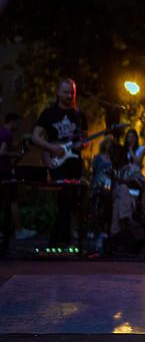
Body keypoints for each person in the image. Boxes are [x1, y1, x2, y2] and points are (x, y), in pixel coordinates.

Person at [32, 79, 88, 247]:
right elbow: (35, 137)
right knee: (64, 195)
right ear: (58, 92)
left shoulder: (79, 115)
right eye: (65, 92)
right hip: (57, 161)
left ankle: (58, 240)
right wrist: (52, 148)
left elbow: (84, 139)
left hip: (74, 162)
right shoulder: (48, 113)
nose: (69, 95)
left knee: (72, 201)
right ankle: (60, 240)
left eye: (72, 92)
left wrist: (82, 144)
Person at [1, 112, 33, 241]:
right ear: (12, 122)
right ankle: (19, 230)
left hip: (3, 170)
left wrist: (21, 142)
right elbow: (2, 152)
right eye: (18, 123)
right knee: (13, 200)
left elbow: (9, 146)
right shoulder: (7, 134)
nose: (19, 126)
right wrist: (18, 155)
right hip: (4, 171)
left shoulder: (2, 132)